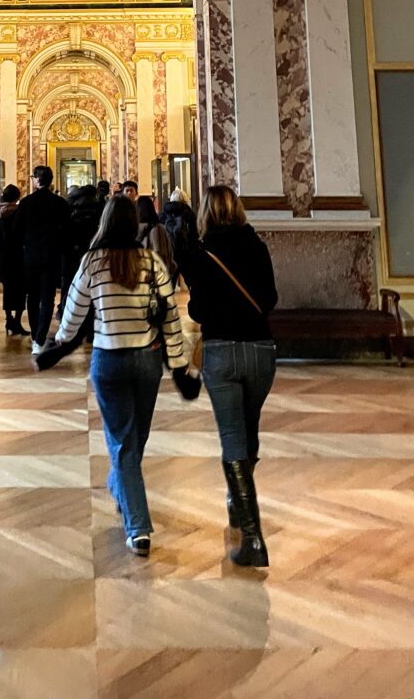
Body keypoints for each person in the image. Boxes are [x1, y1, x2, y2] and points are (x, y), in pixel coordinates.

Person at [49, 196, 189, 556]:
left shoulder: (93, 262)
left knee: (129, 441)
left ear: (105, 222)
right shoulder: (152, 262)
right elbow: (170, 316)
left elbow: (73, 311)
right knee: (133, 437)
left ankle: (120, 485)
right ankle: (138, 526)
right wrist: (179, 362)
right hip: (146, 360)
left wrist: (59, 343)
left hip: (109, 359)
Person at [181, 184, 278, 566]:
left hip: (221, 352)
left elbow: (198, 310)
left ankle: (253, 538)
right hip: (260, 349)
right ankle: (239, 505)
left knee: (233, 437)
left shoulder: (201, 253)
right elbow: (270, 299)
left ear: (205, 213)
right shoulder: (258, 247)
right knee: (249, 431)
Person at [10, 164, 72, 352]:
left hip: (31, 257)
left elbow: (16, 231)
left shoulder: (26, 203)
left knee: (32, 297)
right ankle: (40, 338)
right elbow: (67, 232)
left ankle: (35, 333)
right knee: (47, 298)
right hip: (52, 257)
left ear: (37, 180)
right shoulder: (60, 203)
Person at [0, 183, 27, 334]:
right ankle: (16, 321)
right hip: (18, 256)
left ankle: (9, 318)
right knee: (21, 290)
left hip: (2, 257)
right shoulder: (19, 213)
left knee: (8, 289)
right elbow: (22, 233)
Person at [136, 194, 174, 280]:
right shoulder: (158, 228)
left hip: (140, 275)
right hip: (158, 276)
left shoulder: (133, 229)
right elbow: (161, 253)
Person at [160, 186, 198, 269]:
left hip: (168, 255)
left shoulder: (164, 214)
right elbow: (194, 235)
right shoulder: (189, 214)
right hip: (186, 256)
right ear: (185, 201)